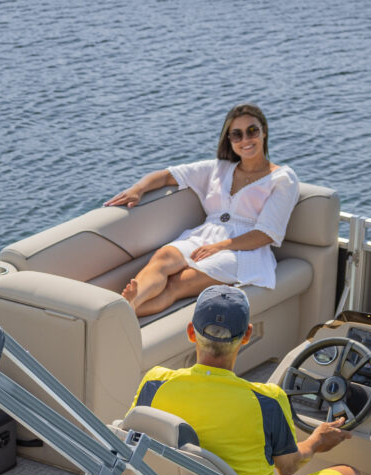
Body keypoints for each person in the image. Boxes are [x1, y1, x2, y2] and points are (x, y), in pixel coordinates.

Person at [133, 286, 366, 475]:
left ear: (191, 332)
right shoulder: (267, 401)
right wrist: (317, 441)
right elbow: (288, 467)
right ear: (246, 335)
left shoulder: (154, 383)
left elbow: (135, 442)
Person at [105, 103, 301, 318]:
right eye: (237, 135)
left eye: (252, 131)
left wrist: (220, 247)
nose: (245, 140)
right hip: (205, 237)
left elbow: (266, 234)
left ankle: (125, 314)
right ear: (229, 140)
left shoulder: (282, 178)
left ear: (264, 131)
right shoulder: (218, 169)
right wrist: (138, 189)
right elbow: (166, 175)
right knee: (164, 257)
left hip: (245, 251)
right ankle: (130, 304)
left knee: (178, 283)